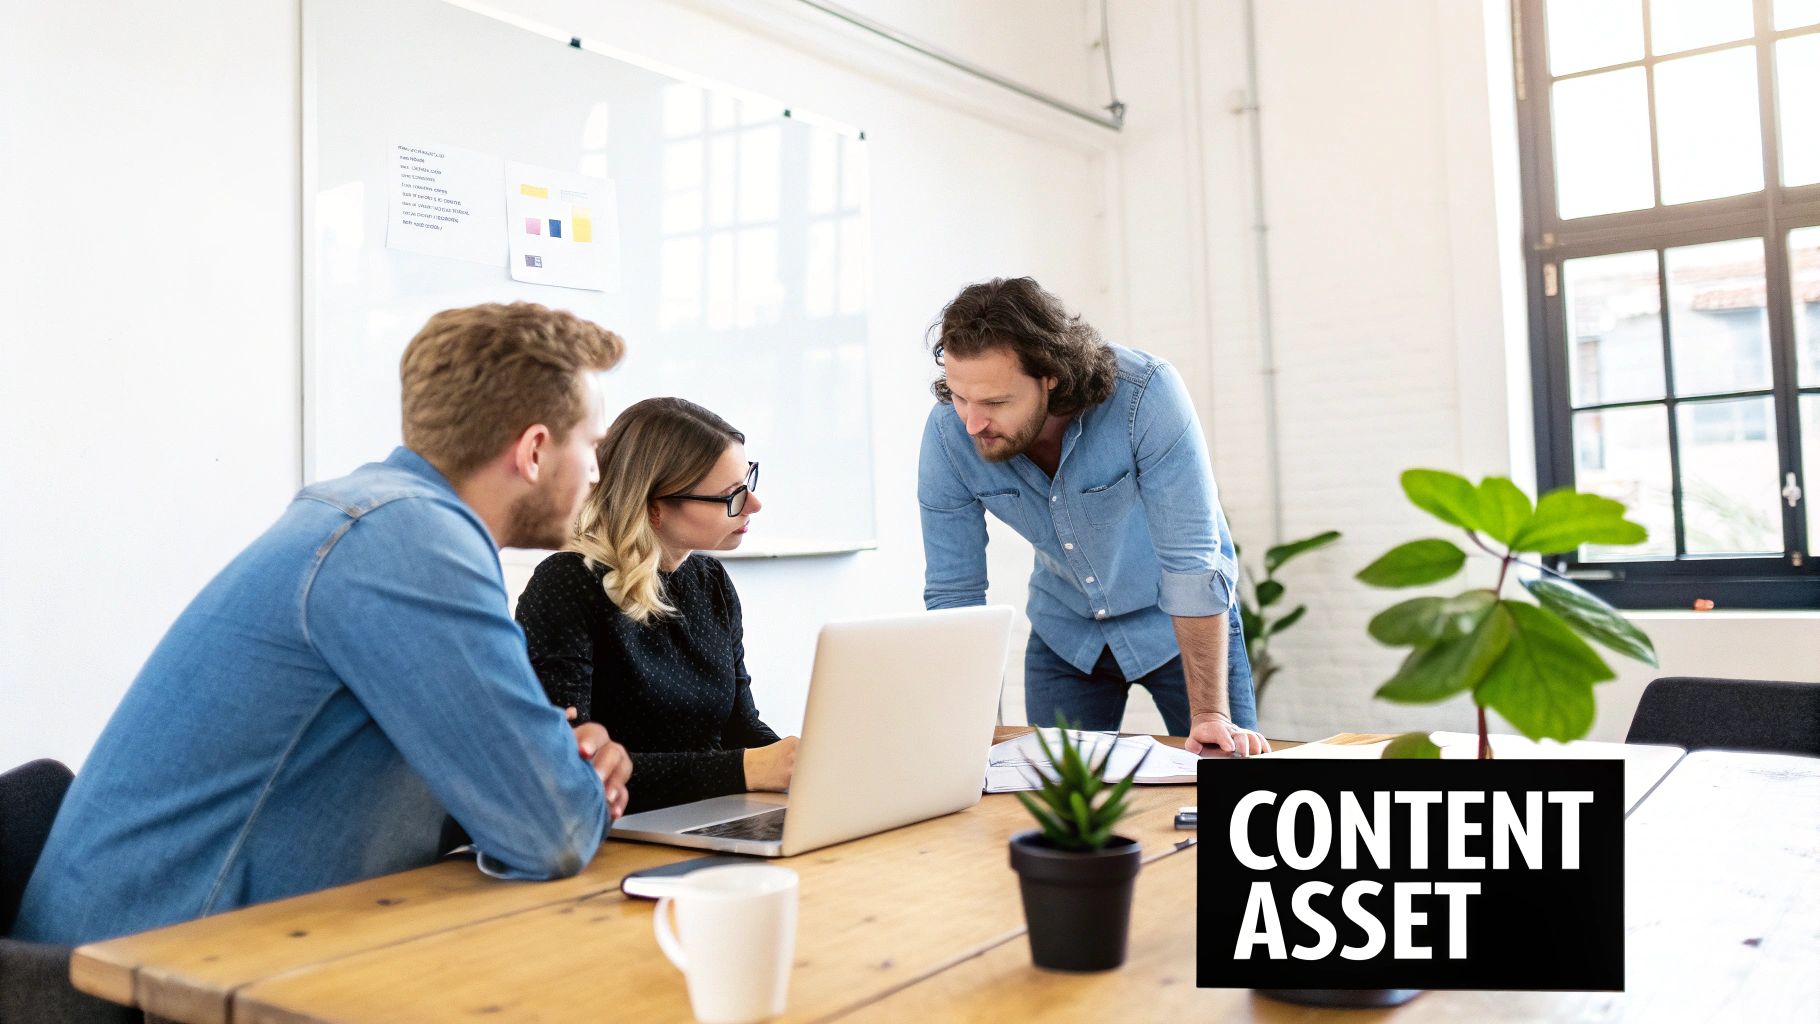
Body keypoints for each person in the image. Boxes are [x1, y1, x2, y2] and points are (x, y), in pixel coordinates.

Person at [14, 303, 634, 946]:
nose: (596, 472)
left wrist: (540, 762)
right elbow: (551, 833)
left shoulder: (371, 514)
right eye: (591, 445)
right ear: (535, 449)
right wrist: (574, 780)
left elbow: (500, 805)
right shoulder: (411, 540)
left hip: (172, 950)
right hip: (139, 983)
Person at [917, 277, 1268, 757]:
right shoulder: (947, 435)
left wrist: (1209, 714)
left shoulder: (1144, 395)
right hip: (1067, 633)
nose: (972, 423)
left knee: (1227, 786)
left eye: (996, 402)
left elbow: (1192, 563)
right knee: (1060, 812)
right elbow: (954, 593)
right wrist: (970, 736)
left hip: (1179, 625)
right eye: (959, 397)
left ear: (1051, 378)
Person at [516, 398, 797, 814]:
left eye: (748, 482)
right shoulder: (566, 585)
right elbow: (572, 767)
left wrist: (802, 765)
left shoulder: (711, 582)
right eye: (730, 496)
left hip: (710, 815)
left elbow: (740, 727)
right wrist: (746, 770)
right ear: (654, 507)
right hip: (616, 833)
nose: (753, 505)